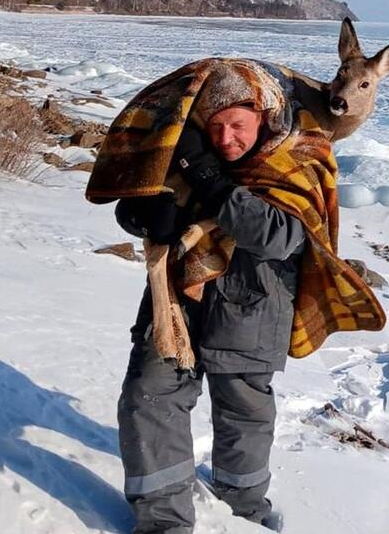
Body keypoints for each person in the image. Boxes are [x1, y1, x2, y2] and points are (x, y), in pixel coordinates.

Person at [115, 100, 299, 533]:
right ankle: (164, 522)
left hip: (252, 307)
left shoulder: (291, 165)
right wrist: (146, 216)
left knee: (244, 413)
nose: (225, 138)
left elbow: (279, 237)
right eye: (214, 126)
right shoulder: (180, 156)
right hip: (174, 302)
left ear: (264, 120)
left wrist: (211, 182)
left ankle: (245, 513)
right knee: (148, 396)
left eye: (238, 125)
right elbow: (128, 204)